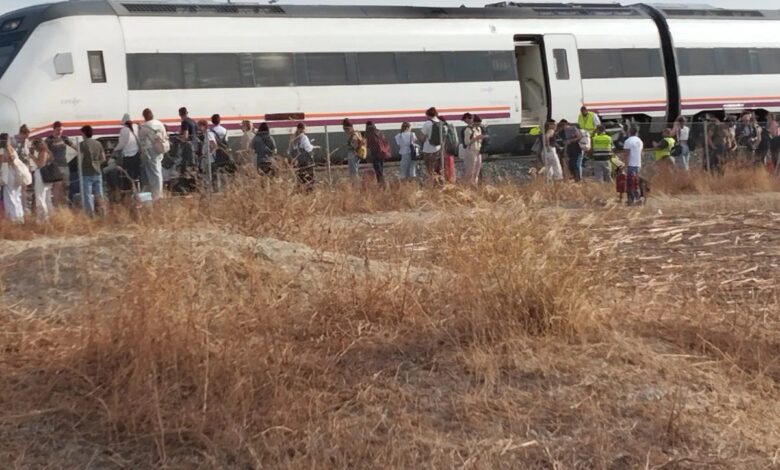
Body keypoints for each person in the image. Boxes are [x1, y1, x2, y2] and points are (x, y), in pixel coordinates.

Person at [45, 121, 77, 205]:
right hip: (55, 166)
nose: (60, 131)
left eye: (61, 130)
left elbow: (74, 146)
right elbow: (45, 152)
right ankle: (57, 205)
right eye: (58, 129)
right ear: (54, 129)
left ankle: (64, 204)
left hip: (64, 165)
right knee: (57, 186)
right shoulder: (49, 140)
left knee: (66, 186)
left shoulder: (64, 138)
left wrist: (81, 151)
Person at [138, 108, 168, 200]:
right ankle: (158, 193)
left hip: (150, 151)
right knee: (158, 170)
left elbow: (141, 139)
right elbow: (165, 136)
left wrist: (139, 127)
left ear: (144, 116)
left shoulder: (144, 126)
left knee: (154, 173)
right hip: (160, 149)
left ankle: (157, 195)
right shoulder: (160, 123)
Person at [1, 133, 31, 222]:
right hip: (17, 173)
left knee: (9, 196)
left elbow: (2, 163)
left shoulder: (2, 150)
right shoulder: (12, 150)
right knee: (17, 196)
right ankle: (20, 217)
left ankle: (13, 218)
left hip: (8, 173)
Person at [78, 125, 106, 218]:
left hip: (86, 173)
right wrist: (96, 163)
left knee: (87, 195)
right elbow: (103, 158)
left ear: (83, 133)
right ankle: (103, 213)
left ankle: (90, 215)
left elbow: (80, 158)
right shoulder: (98, 143)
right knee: (99, 194)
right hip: (97, 172)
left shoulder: (82, 144)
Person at [113, 114, 141, 189]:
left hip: (127, 157)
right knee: (135, 175)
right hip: (136, 156)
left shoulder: (124, 130)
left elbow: (122, 144)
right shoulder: (135, 128)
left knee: (127, 175)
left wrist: (115, 150)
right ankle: (137, 189)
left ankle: (129, 189)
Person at [30, 139, 55, 221]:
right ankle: (49, 216)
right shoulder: (47, 152)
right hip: (46, 176)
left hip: (41, 175)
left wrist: (32, 157)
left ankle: (42, 218)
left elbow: (41, 164)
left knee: (40, 197)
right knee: (47, 198)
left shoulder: (43, 152)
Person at [288, 123, 315, 191]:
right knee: (309, 179)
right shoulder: (303, 137)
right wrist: (314, 147)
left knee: (300, 179)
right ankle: (309, 192)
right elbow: (308, 148)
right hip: (306, 162)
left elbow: (290, 151)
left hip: (298, 163)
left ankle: (300, 191)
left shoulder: (293, 138)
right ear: (303, 129)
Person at [622, 127, 644, 205]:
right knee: (636, 182)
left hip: (631, 164)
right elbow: (641, 153)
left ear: (629, 132)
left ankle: (631, 199)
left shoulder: (628, 141)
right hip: (638, 164)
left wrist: (625, 165)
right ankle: (638, 198)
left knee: (630, 183)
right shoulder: (640, 141)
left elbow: (626, 154)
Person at [420, 107, 442, 182]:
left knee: (429, 169)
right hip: (438, 148)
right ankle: (438, 183)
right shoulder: (440, 122)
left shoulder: (428, 123)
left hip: (428, 149)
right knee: (437, 169)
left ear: (428, 115)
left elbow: (422, 137)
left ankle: (432, 184)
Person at [461, 115, 484, 185]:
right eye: (477, 124)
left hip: (478, 151)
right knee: (470, 170)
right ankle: (468, 184)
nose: (478, 125)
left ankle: (475, 184)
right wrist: (476, 138)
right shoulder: (468, 130)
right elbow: (467, 142)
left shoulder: (479, 129)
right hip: (471, 151)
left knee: (477, 170)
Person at [365, 121, 388, 186]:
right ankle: (382, 183)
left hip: (375, 154)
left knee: (378, 170)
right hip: (382, 152)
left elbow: (368, 145)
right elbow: (385, 141)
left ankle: (382, 184)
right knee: (381, 169)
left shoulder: (369, 132)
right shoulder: (379, 131)